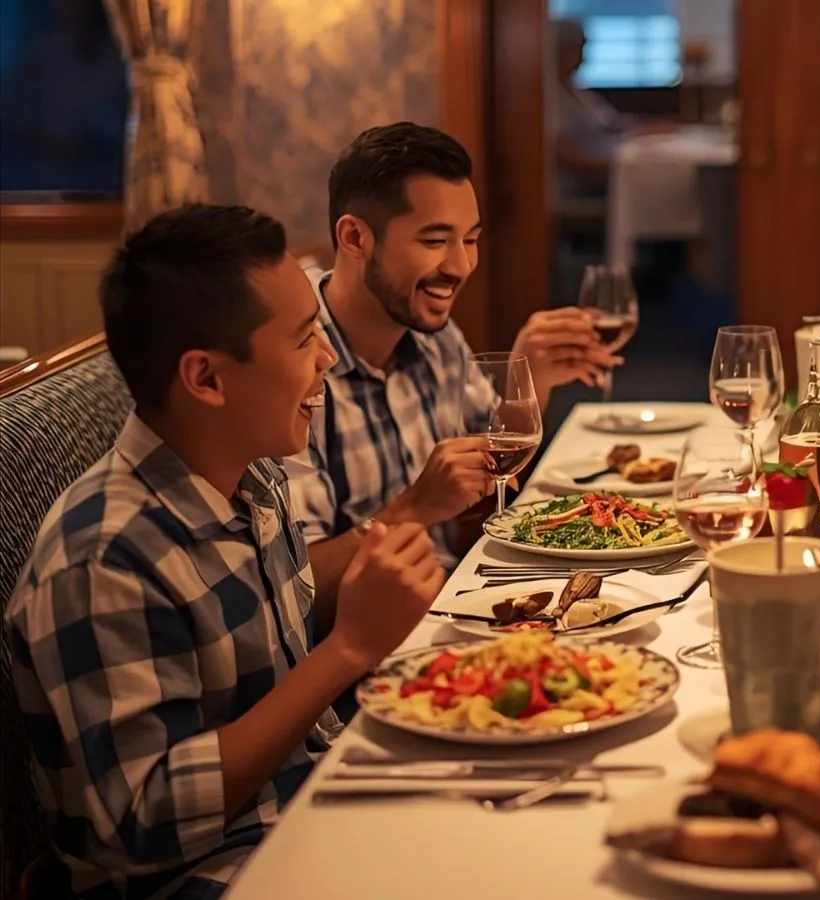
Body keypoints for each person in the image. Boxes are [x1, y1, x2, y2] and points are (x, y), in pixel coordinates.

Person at [5, 204, 445, 899]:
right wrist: (349, 650)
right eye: (305, 341)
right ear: (207, 379)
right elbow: (144, 826)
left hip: (309, 807)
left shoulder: (255, 478)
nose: (328, 358)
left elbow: (295, 718)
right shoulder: (103, 559)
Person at [287, 123, 616, 590]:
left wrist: (530, 380)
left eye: (470, 239)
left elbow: (487, 479)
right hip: (380, 643)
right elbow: (299, 591)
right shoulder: (296, 365)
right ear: (356, 238)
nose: (461, 266)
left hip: (457, 591)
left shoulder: (432, 333)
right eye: (435, 241)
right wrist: (412, 511)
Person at [552, 18, 677, 199]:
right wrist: (614, 167)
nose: (582, 57)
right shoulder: (550, 98)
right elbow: (564, 154)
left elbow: (610, 123)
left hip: (610, 167)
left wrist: (647, 129)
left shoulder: (577, 92)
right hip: (586, 182)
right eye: (576, 49)